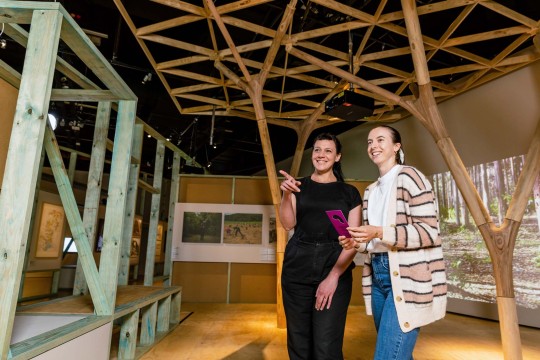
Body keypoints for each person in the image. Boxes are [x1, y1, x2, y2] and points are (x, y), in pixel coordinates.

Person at [340, 125, 447, 360]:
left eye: (380, 140)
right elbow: (374, 242)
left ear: (396, 147)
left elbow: (429, 232)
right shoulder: (370, 190)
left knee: (388, 355)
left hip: (407, 277)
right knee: (399, 353)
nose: (373, 146)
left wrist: (378, 231)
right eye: (369, 142)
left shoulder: (410, 177)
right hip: (378, 274)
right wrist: (356, 243)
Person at [279, 133, 362, 360]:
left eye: (328, 150)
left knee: (327, 344)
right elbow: (288, 224)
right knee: (298, 340)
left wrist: (333, 276)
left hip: (334, 266)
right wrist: (286, 194)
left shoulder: (350, 193)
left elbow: (353, 242)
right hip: (297, 268)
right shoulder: (297, 185)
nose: (321, 155)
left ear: (337, 157)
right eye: (317, 150)